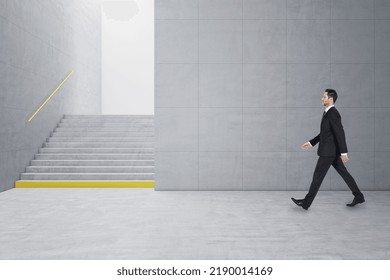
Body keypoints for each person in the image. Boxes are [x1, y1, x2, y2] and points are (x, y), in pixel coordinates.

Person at [291, 89, 365, 210]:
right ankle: (359, 196)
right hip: (331, 152)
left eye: (324, 97)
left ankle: (306, 203)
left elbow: (340, 133)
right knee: (345, 174)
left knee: (317, 176)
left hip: (328, 153)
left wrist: (344, 152)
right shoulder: (327, 112)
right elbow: (325, 134)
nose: (322, 98)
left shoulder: (333, 113)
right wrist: (310, 143)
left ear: (330, 99)